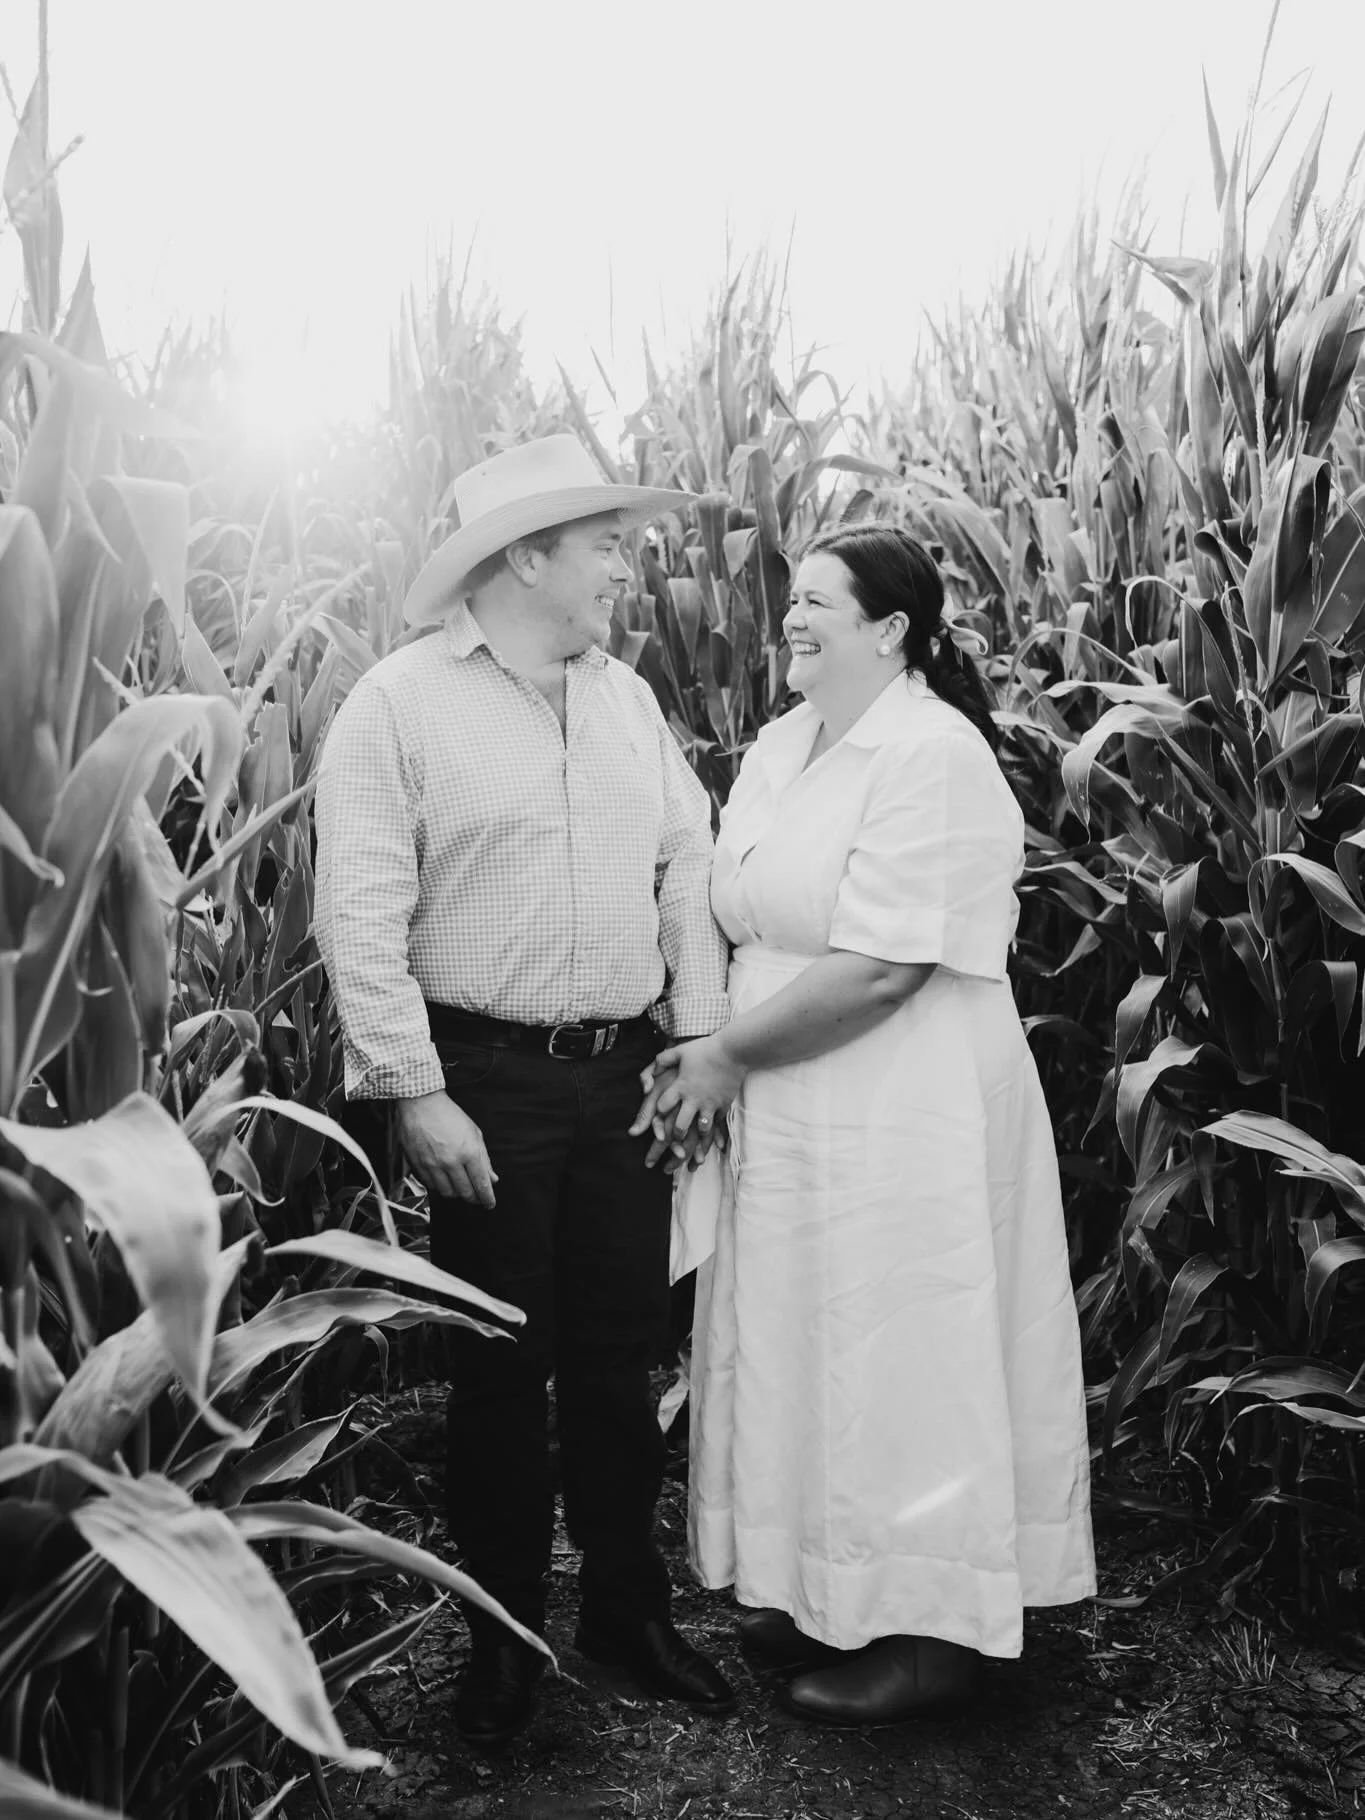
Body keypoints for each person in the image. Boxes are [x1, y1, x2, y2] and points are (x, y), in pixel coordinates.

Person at [313, 434, 736, 1751]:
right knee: (501, 1372)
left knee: (619, 1361)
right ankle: (502, 1641)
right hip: (481, 1082)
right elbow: (359, 907)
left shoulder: (625, 698)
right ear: (526, 557)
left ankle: (625, 1606)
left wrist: (699, 1042)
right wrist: (412, 1092)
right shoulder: (400, 703)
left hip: (622, 1076)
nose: (626, 562)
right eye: (603, 542)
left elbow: (685, 860)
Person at [635, 522, 1096, 1726]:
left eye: (820, 602)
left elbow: (890, 966)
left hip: (903, 1098)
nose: (791, 617)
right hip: (796, 1097)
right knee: (806, 1337)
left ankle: (939, 1630)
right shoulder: (785, 745)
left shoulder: (931, 753)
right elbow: (737, 908)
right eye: (791, 598)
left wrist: (726, 1056)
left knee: (902, 1342)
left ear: (891, 631)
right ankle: (821, 1583)